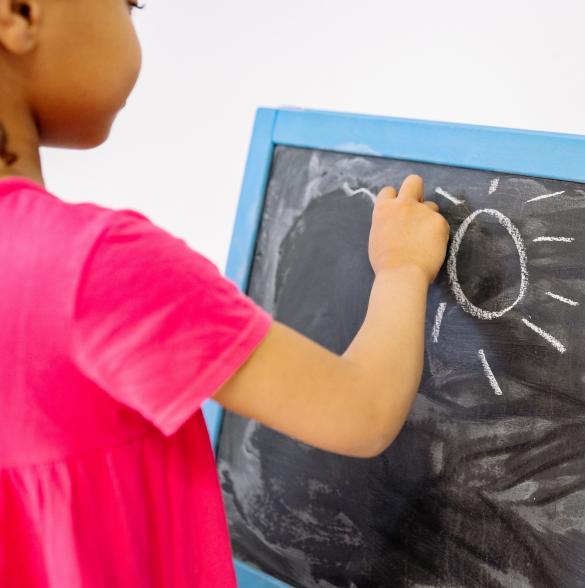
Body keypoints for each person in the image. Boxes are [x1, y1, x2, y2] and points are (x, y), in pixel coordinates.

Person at [0, 1, 450, 585]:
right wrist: (401, 269)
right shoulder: (96, 265)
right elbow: (362, 412)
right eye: (128, 4)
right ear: (20, 13)